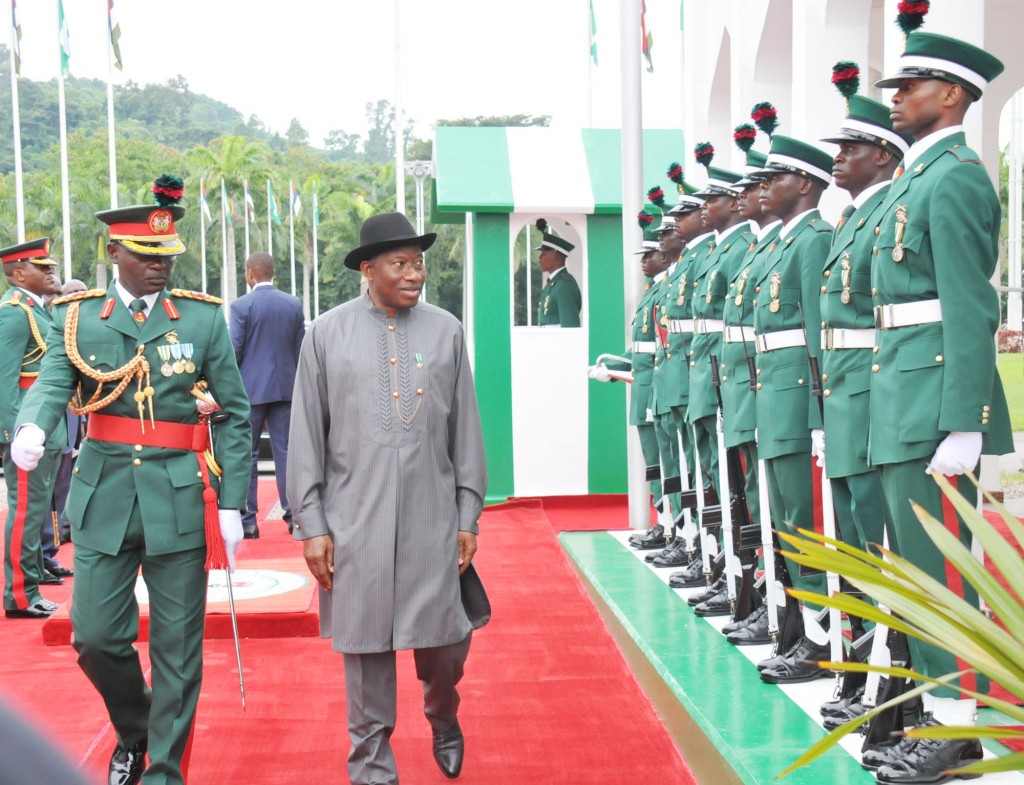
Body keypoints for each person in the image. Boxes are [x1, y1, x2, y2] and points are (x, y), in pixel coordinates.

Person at [10, 179, 251, 785]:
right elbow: (51, 385)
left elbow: (236, 412)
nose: (158, 267)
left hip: (178, 497)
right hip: (104, 494)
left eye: (166, 257)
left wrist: (233, 503)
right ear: (113, 252)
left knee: (177, 652)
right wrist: (33, 425)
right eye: (146, 255)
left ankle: (163, 773)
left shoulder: (200, 316)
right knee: (94, 637)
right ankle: (137, 727)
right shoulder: (78, 318)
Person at [287, 212, 487, 785]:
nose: (415, 274)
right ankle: (372, 768)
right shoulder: (325, 334)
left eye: (418, 263)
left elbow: (465, 430)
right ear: (367, 269)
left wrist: (467, 511)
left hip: (433, 516)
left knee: (447, 646)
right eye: (400, 264)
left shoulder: (446, 329)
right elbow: (306, 434)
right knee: (366, 649)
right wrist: (313, 524)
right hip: (356, 520)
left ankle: (443, 715)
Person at [865, 33, 1011, 784]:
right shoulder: (915, 179)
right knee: (912, 569)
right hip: (900, 393)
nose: (896, 97)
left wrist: (966, 418)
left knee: (939, 570)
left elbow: (968, 305)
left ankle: (957, 729)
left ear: (951, 95)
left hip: (932, 400)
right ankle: (932, 716)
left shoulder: (953, 179)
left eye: (910, 84)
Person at [814, 94, 910, 725]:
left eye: (849, 148)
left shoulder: (886, 213)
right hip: (847, 393)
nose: (838, 159)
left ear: (881, 155)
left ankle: (897, 690)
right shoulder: (853, 217)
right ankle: (860, 672)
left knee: (883, 545)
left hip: (880, 393)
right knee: (853, 541)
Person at [746, 135, 835, 683]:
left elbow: (817, 336)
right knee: (784, 522)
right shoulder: (784, 241)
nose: (764, 189)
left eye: (775, 179)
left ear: (804, 184)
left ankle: (822, 640)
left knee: (805, 524)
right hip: (772, 396)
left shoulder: (814, 240)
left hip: (798, 398)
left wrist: (820, 414)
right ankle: (798, 629)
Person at [0, 238, 66, 618]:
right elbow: (5, 380)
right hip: (29, 432)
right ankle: (20, 596)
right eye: (43, 268)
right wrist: (14, 434)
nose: (51, 272)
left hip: (49, 429)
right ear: (19, 274)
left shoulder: (40, 310)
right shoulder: (13, 312)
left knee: (37, 512)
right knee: (24, 512)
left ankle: (35, 575)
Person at [229, 251, 305, 539]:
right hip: (286, 388)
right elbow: (299, 349)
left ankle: (249, 520)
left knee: (247, 455)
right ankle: (293, 516)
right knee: (286, 453)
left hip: (249, 391)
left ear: (250, 273)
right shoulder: (293, 304)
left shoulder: (241, 306)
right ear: (272, 272)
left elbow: (235, 349)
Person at [51, 279, 89, 548]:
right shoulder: (57, 324)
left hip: (81, 412)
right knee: (55, 480)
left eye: (81, 293)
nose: (77, 297)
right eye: (72, 293)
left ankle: (67, 525)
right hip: (58, 411)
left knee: (72, 475)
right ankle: (54, 535)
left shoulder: (92, 325)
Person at [535, 225, 582, 327]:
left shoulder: (565, 285)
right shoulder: (554, 282)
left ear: (554, 255)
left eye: (543, 254)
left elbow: (570, 327)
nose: (539, 257)